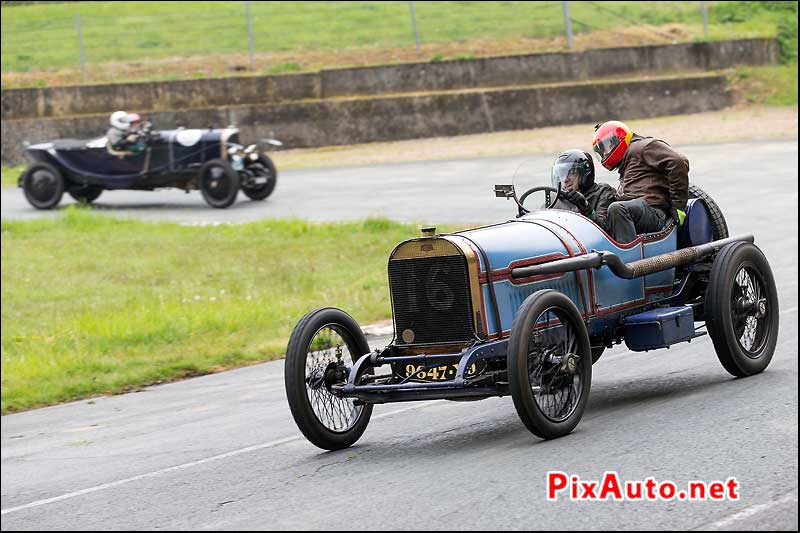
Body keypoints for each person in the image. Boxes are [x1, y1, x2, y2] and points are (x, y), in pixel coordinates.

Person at [592, 120, 689, 244]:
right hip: (637, 212)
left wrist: (678, 206)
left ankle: (629, 259)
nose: (605, 152)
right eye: (601, 150)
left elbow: (678, 161)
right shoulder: (627, 161)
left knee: (617, 208)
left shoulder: (643, 146)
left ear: (619, 139)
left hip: (654, 211)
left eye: (607, 146)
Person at [551, 149, 616, 232]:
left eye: (571, 173)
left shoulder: (603, 192)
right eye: (562, 174)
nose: (565, 180)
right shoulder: (555, 199)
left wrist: (587, 209)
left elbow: (605, 229)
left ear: (585, 174)